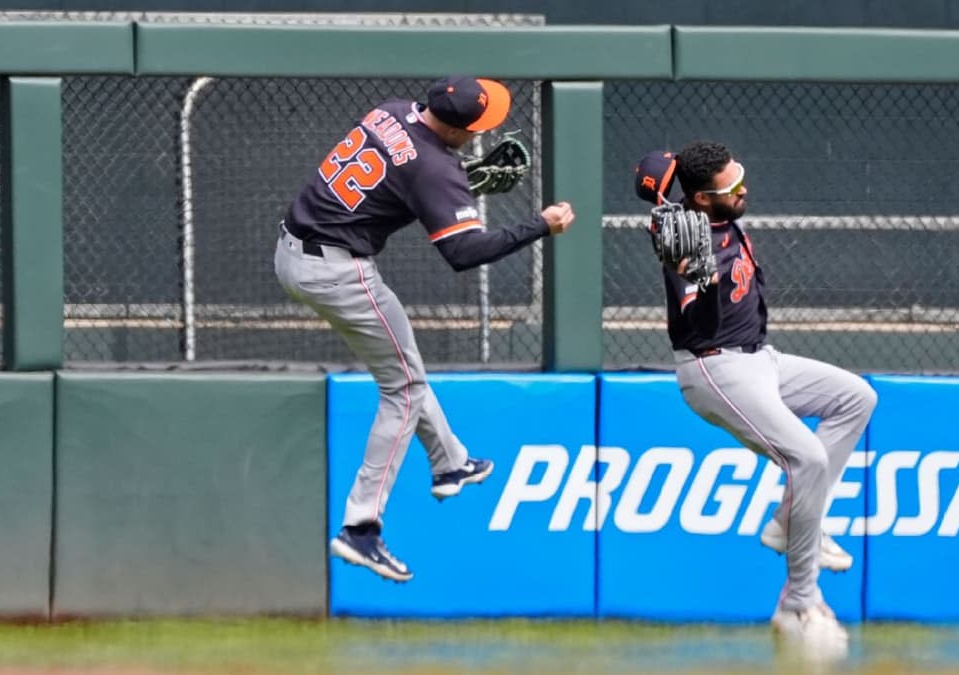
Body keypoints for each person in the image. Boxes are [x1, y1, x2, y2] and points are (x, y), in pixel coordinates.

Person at [275, 75, 575, 583]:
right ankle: (361, 528)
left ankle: (450, 462)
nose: (481, 132)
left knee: (404, 368)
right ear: (458, 129)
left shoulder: (390, 109)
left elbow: (396, 179)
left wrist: (457, 182)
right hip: (338, 270)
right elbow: (462, 251)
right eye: (477, 126)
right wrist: (540, 225)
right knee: (405, 390)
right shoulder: (437, 169)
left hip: (295, 249)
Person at [634, 142, 877, 654]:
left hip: (759, 358)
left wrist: (661, 189)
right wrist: (697, 281)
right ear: (703, 199)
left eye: (739, 176)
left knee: (855, 397)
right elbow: (695, 325)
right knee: (807, 458)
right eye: (730, 186)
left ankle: (788, 522)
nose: (742, 188)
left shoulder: (699, 212)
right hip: (715, 366)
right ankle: (799, 602)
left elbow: (662, 166)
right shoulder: (689, 244)